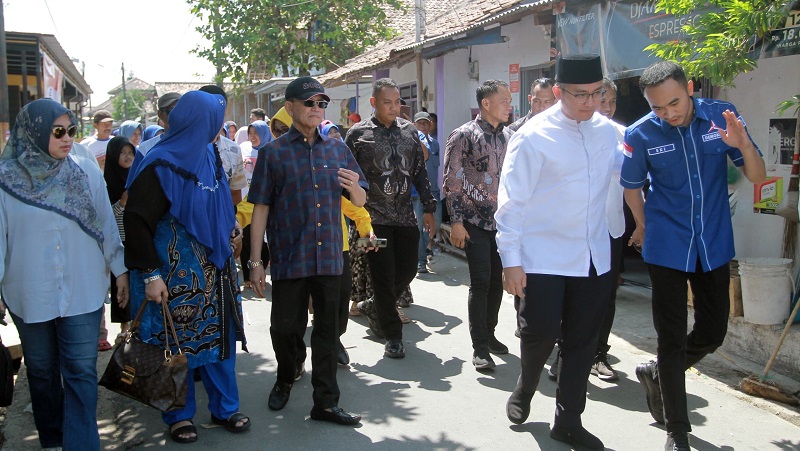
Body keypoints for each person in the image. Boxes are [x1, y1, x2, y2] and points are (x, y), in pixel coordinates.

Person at [621, 61, 766, 451]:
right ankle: (676, 430)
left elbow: (756, 176)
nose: (669, 113)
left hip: (714, 242)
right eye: (658, 108)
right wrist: (641, 224)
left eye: (674, 102)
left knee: (713, 332)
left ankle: (656, 373)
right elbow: (632, 188)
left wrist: (744, 145)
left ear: (690, 87)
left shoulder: (722, 117)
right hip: (666, 245)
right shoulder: (641, 134)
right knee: (670, 339)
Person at [497, 54, 617, 451]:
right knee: (540, 332)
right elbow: (511, 202)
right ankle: (526, 385)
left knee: (583, 341)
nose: (590, 103)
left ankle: (568, 420)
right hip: (543, 255)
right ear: (559, 92)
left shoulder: (611, 133)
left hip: (593, 255)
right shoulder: (533, 136)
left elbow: (631, 177)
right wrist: (511, 260)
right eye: (580, 95)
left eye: (597, 94)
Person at [0, 98, 129, 450]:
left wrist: (120, 271)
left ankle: (81, 444)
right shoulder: (5, 181)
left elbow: (105, 223)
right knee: (41, 373)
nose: (67, 138)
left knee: (81, 372)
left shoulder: (84, 172)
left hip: (83, 290)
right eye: (58, 132)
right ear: (35, 132)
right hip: (29, 294)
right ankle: (53, 439)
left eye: (72, 130)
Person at [124, 90, 249, 444]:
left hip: (214, 272)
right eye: (214, 120)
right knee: (174, 346)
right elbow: (136, 221)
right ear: (197, 122)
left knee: (219, 342)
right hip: (172, 279)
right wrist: (150, 275)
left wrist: (231, 227)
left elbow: (220, 202)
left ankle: (226, 408)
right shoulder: (161, 163)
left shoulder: (208, 156)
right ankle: (178, 414)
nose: (218, 127)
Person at [248, 76, 366, 426]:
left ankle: (326, 403)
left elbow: (359, 199)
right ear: (290, 107)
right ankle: (287, 375)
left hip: (330, 255)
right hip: (289, 256)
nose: (316, 109)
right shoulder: (273, 154)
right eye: (309, 103)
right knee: (285, 329)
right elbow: (260, 209)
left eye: (321, 104)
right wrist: (256, 262)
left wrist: (356, 189)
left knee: (328, 332)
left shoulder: (338, 149)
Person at [345, 78, 436, 359]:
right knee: (384, 277)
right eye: (388, 102)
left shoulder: (410, 131)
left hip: (405, 216)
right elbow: (347, 178)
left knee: (407, 270)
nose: (394, 108)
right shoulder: (357, 134)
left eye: (398, 102)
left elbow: (420, 171)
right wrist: (353, 221)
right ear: (373, 103)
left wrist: (430, 207)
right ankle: (392, 336)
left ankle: (374, 304)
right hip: (373, 219)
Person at [443, 80, 513, 370]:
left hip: (503, 223)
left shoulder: (509, 137)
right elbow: (452, 181)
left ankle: (491, 332)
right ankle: (480, 346)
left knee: (498, 281)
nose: (509, 105)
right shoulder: (464, 135)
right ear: (486, 104)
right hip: (473, 222)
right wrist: (457, 222)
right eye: (504, 100)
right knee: (481, 281)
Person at [105, 136, 136, 338]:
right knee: (121, 283)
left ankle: (137, 324)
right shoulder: (106, 183)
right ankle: (124, 328)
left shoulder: (138, 176)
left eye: (131, 153)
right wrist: (122, 203)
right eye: (123, 153)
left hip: (137, 239)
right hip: (118, 243)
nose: (127, 157)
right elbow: (107, 218)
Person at [412, 112, 440, 275]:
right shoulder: (413, 143)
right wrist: (416, 136)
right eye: (419, 123)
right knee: (420, 227)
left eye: (426, 123)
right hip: (418, 194)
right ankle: (421, 261)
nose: (423, 126)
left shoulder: (435, 143)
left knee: (433, 228)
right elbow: (424, 154)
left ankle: (419, 254)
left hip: (434, 192)